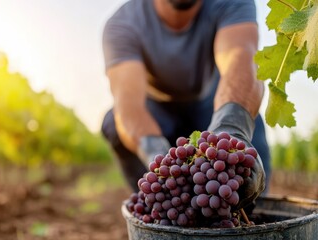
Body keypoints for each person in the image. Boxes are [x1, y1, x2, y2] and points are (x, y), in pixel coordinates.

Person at [100, 0, 271, 208]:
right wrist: (159, 159)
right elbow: (129, 107)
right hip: (157, 115)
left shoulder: (231, 2)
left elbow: (241, 59)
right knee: (113, 122)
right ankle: (165, 207)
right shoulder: (123, 23)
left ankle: (239, 211)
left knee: (242, 113)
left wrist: (233, 126)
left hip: (212, 105)